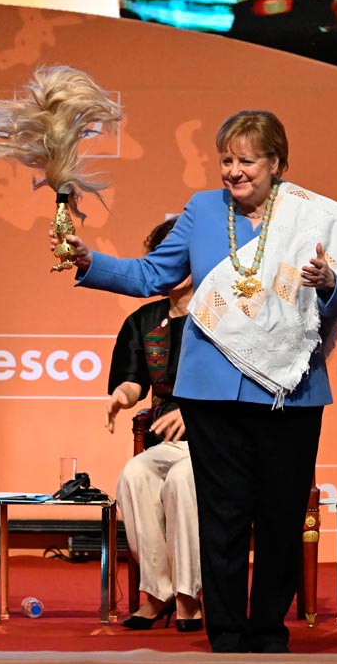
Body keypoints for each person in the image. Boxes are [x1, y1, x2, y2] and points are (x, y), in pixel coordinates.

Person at [57, 110, 337, 653]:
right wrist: (91, 261)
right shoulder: (203, 211)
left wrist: (327, 285)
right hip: (211, 392)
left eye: (246, 160)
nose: (233, 171)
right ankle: (225, 634)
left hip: (289, 397)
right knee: (222, 518)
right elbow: (151, 274)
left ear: (276, 163)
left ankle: (268, 631)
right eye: (226, 160)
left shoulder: (310, 216)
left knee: (279, 516)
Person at [106, 216, 203, 633]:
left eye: (176, 258)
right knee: (135, 473)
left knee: (183, 479)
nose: (167, 269)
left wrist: (195, 413)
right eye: (160, 261)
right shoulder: (144, 321)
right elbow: (133, 381)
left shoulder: (223, 314)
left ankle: (189, 595)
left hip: (218, 439)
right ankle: (158, 592)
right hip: (166, 439)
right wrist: (121, 398)